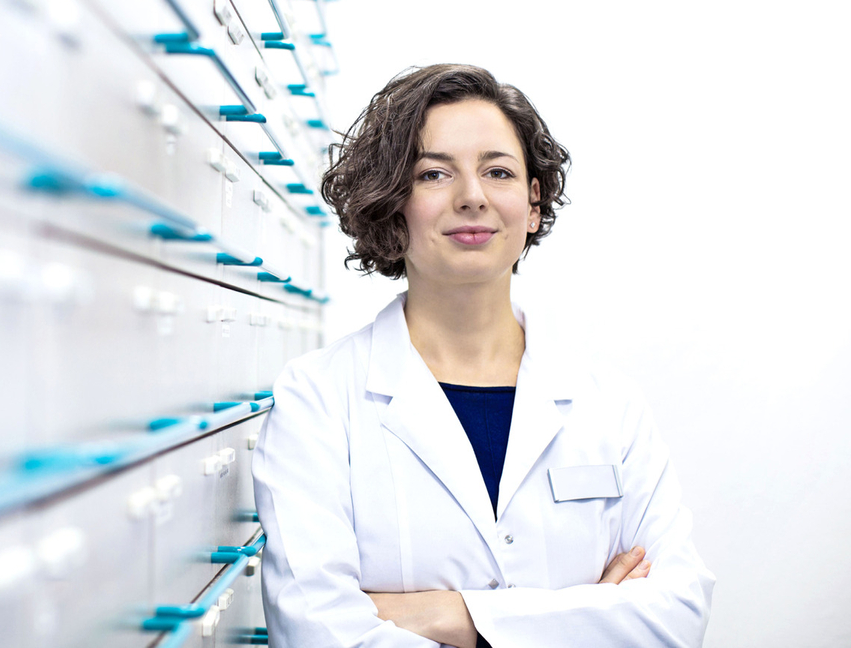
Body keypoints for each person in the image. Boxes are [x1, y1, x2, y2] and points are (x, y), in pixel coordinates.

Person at [250, 64, 714, 647]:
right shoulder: (316, 401)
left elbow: (674, 616)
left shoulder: (608, 404)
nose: (472, 197)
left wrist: (451, 616)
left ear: (533, 202)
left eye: (498, 171)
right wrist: (586, 615)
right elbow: (318, 633)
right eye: (434, 174)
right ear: (393, 206)